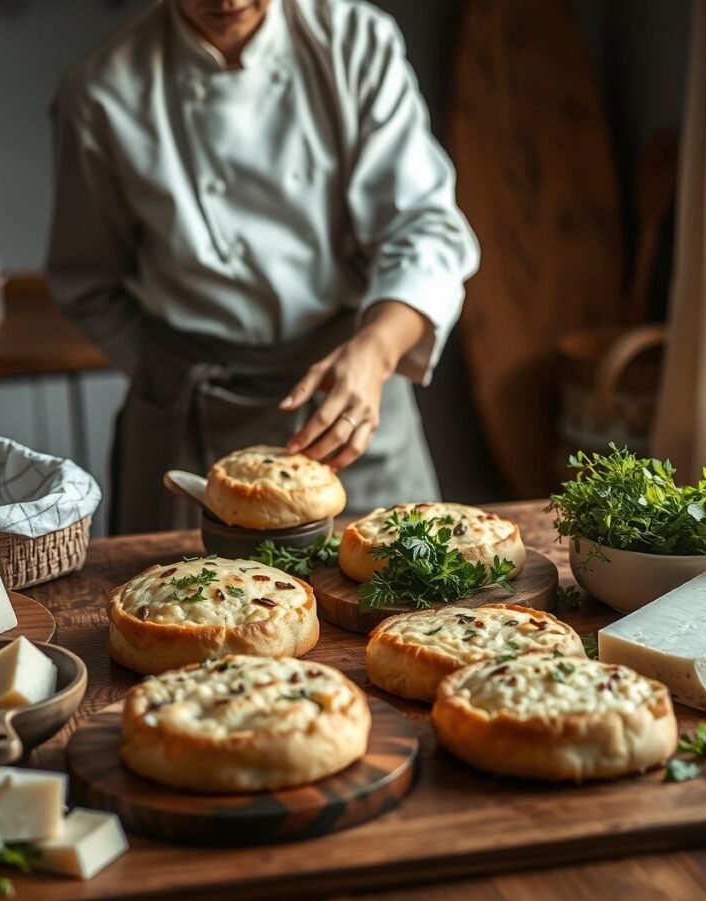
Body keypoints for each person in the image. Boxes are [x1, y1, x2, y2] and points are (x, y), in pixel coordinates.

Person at [46, 0, 479, 532]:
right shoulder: (101, 90)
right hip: (192, 417)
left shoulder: (354, 42)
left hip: (355, 399)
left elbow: (425, 228)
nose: (228, 2)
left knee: (409, 597)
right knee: (185, 604)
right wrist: (168, 371)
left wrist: (375, 350)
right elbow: (88, 279)